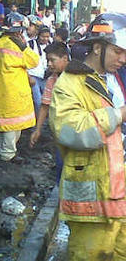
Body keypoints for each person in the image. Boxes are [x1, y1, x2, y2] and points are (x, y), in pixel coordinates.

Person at [49, 13, 126, 260]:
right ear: (97, 47)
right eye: (118, 51)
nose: (123, 59)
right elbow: (73, 131)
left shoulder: (112, 80)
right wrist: (118, 115)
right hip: (92, 204)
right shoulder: (70, 83)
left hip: (118, 194)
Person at [0, 13, 39, 161]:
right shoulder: (18, 48)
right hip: (14, 96)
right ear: (20, 31)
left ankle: (0, 152)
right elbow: (34, 61)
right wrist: (24, 46)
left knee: (0, 125)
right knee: (11, 128)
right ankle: (7, 157)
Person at [29, 42, 71, 148]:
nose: (49, 64)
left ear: (65, 58)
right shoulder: (52, 80)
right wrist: (38, 130)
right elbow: (45, 105)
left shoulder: (78, 76)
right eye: (48, 60)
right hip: (60, 130)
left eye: (52, 60)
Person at [27, 26, 52, 115]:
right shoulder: (30, 44)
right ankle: (39, 122)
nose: (45, 39)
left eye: (47, 37)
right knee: (38, 101)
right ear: (38, 35)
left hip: (47, 76)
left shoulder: (50, 44)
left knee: (48, 100)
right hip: (34, 76)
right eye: (43, 36)